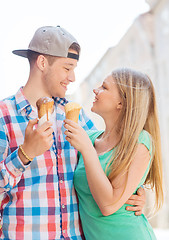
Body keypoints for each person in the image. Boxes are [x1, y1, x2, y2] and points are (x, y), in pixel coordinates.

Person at [0, 26, 145, 240]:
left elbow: (108, 162)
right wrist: (24, 154)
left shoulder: (75, 115)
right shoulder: (4, 116)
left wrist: (135, 191)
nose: (73, 77)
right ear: (42, 63)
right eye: (67, 68)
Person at [64, 68, 164, 240]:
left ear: (122, 103)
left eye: (104, 87)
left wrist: (87, 150)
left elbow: (108, 205)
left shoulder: (141, 141)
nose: (96, 90)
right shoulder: (90, 138)